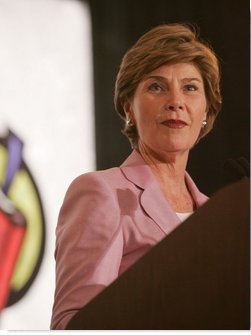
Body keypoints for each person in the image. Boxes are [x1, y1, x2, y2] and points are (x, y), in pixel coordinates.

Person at [50, 23, 222, 330]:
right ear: (129, 107)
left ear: (207, 110)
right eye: (156, 86)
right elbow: (74, 323)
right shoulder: (101, 192)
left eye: (190, 88)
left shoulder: (219, 216)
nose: (175, 101)